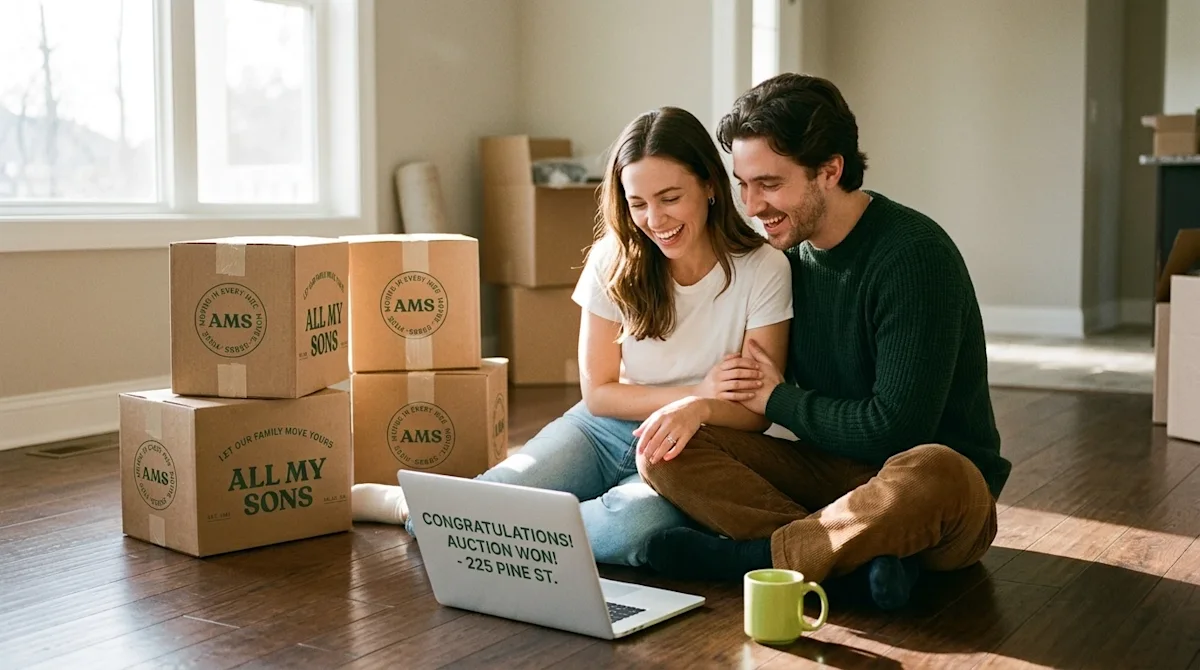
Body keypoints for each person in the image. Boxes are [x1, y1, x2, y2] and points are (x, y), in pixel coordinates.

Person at [351, 105, 793, 567]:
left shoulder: (763, 269)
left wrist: (698, 410)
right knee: (495, 494)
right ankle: (411, 506)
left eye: (669, 197)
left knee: (627, 527)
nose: (655, 220)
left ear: (708, 185)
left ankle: (478, 522)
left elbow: (755, 412)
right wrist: (696, 394)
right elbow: (598, 393)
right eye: (637, 203)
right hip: (603, 429)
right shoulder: (614, 259)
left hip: (696, 451)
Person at [637, 74, 1013, 610]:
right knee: (665, 450)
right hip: (825, 480)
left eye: (768, 183)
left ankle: (753, 560)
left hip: (926, 498)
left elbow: (897, 430)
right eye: (742, 184)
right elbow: (746, 392)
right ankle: (850, 564)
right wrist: (697, 406)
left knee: (939, 468)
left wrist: (778, 398)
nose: (751, 205)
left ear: (830, 170)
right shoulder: (780, 262)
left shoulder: (913, 255)